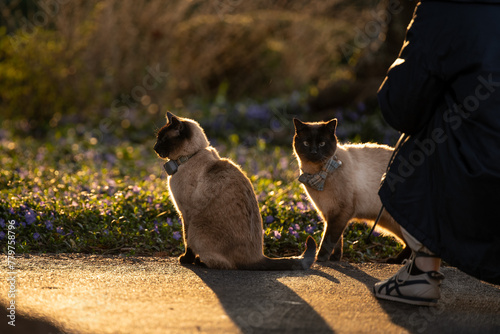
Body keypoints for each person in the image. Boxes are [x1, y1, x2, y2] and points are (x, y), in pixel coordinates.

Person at [373, 0, 500, 306]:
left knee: (432, 125)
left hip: (482, 180)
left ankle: (421, 273)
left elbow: (401, 106)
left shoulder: (447, 7)